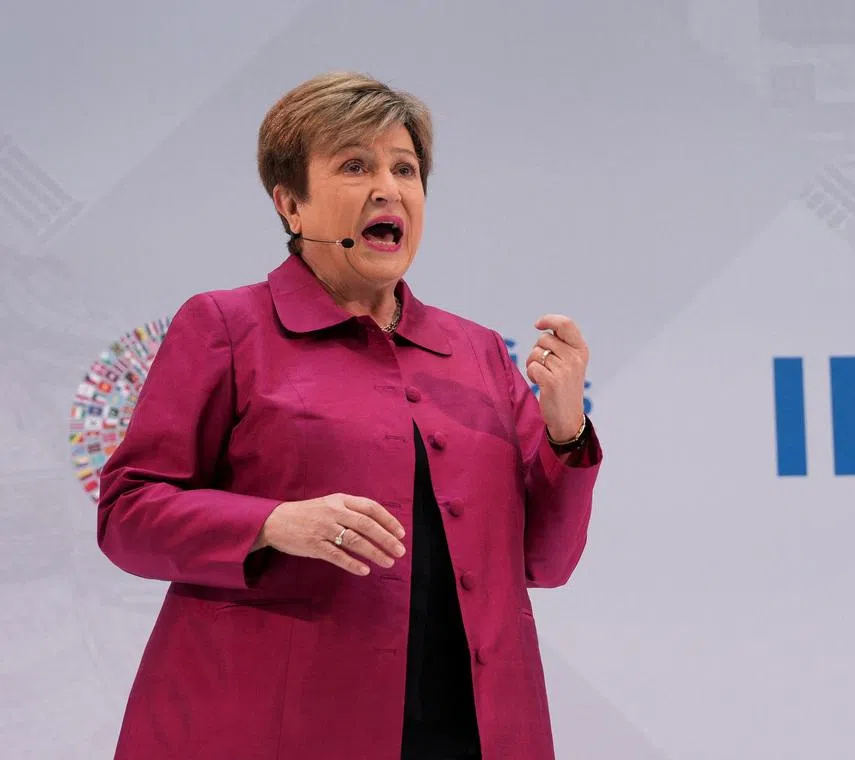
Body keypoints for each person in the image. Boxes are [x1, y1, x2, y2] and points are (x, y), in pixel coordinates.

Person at [96, 71, 602, 760]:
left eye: (405, 169)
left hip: (472, 730)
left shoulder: (476, 352)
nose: (388, 188)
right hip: (275, 726)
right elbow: (127, 514)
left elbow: (544, 562)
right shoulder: (227, 326)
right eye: (355, 166)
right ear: (291, 205)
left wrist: (566, 429)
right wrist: (274, 523)